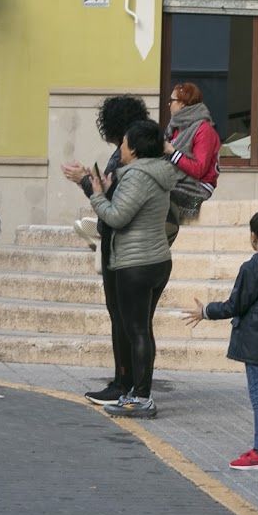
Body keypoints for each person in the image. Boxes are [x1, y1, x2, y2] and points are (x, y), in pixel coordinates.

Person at [184, 211, 258, 470]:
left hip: (255, 340)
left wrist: (206, 311)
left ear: (254, 237)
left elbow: (236, 304)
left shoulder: (252, 267)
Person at [61, 95, 152, 402]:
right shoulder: (141, 163)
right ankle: (130, 385)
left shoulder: (133, 166)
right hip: (136, 249)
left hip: (126, 250)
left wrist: (87, 184)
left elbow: (115, 207)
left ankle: (127, 386)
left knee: (126, 320)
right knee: (132, 322)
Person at [82, 119, 176, 418]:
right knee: (141, 329)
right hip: (157, 259)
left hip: (135, 263)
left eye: (124, 143)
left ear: (133, 148)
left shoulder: (137, 176)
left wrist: (97, 193)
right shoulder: (158, 172)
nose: (120, 148)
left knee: (136, 330)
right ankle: (138, 392)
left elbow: (117, 217)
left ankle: (141, 396)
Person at [164, 82, 221, 221]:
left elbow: (199, 170)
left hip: (197, 189)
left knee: (157, 198)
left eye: (172, 100)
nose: (169, 104)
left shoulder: (204, 130)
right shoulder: (175, 128)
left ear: (183, 104)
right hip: (176, 184)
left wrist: (172, 152)